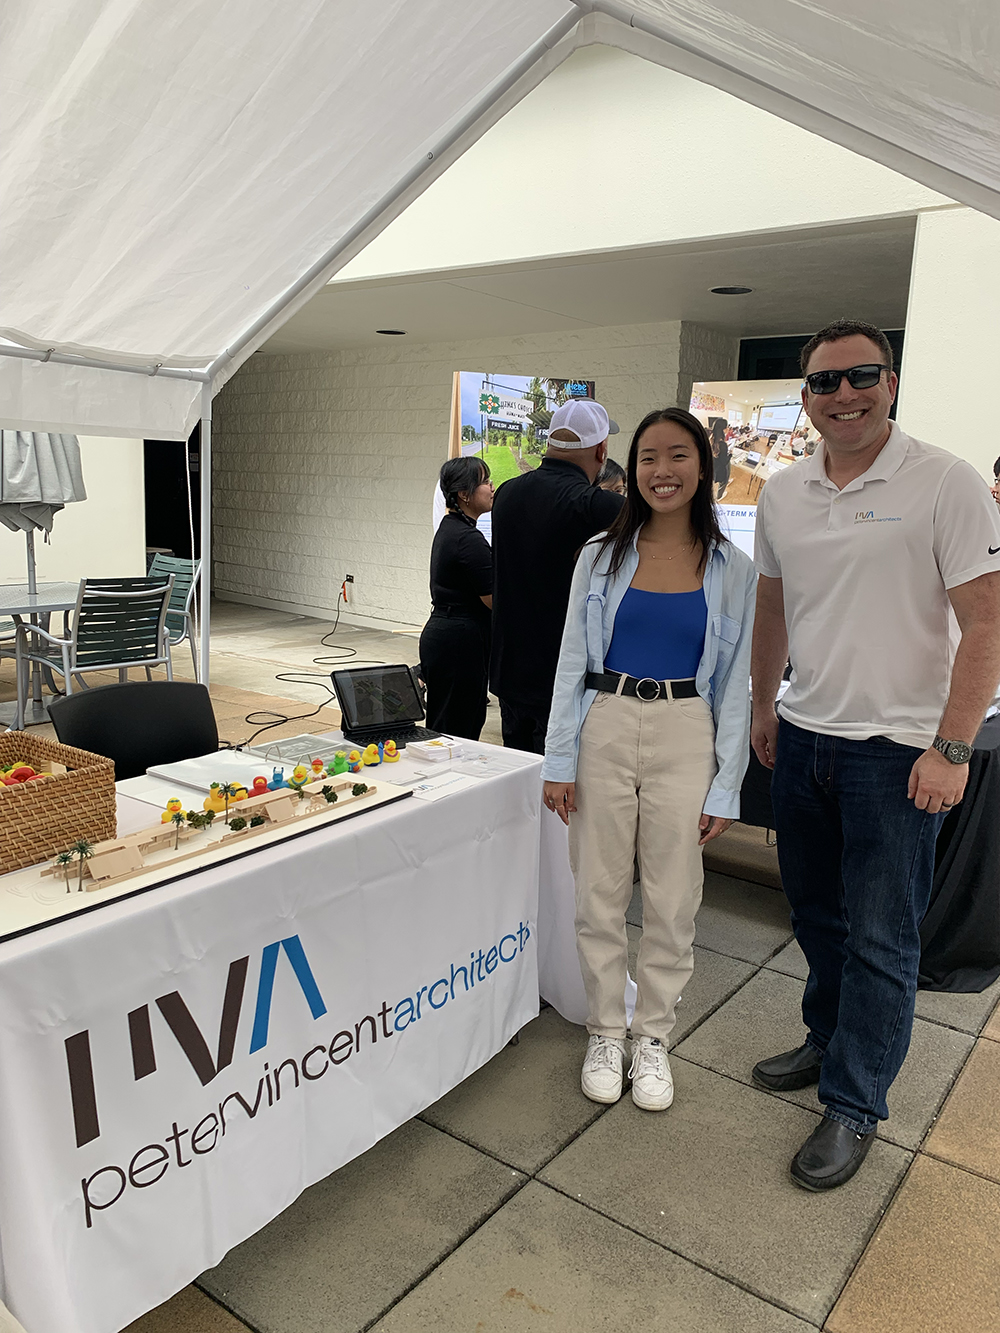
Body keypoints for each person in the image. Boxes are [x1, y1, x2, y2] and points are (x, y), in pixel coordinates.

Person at [750, 318, 1000, 1191]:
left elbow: (988, 620)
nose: (844, 394)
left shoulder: (945, 481)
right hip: (807, 735)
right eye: (824, 382)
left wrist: (953, 745)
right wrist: (763, 703)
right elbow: (773, 609)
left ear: (890, 382)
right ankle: (828, 1038)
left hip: (897, 754)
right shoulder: (784, 494)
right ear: (807, 398)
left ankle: (855, 1102)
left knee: (885, 938)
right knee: (815, 916)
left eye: (862, 376)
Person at [543, 408, 756, 1111]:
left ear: (703, 467)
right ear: (631, 471)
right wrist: (559, 759)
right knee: (597, 890)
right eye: (648, 458)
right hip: (605, 721)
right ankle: (606, 1029)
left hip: (685, 726)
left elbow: (736, 685)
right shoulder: (600, 555)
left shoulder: (732, 569)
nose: (662, 471)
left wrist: (727, 786)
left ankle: (653, 1035)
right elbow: (573, 659)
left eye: (678, 456)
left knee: (673, 895)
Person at [490, 399, 624, 753]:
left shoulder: (506, 494)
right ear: (601, 451)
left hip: (510, 670)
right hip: (561, 676)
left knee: (517, 780)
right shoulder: (597, 506)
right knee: (557, 793)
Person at [418, 457, 494, 740]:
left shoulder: (451, 528)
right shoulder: (467, 538)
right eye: (485, 482)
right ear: (464, 494)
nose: (491, 488)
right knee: (458, 731)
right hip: (460, 642)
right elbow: (492, 600)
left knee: (447, 726)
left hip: (447, 635)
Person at [709, 417, 730, 500]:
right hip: (721, 467)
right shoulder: (722, 444)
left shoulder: (711, 438)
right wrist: (730, 453)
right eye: (727, 426)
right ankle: (719, 497)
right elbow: (724, 461)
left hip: (714, 465)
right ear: (723, 429)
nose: (728, 428)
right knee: (723, 481)